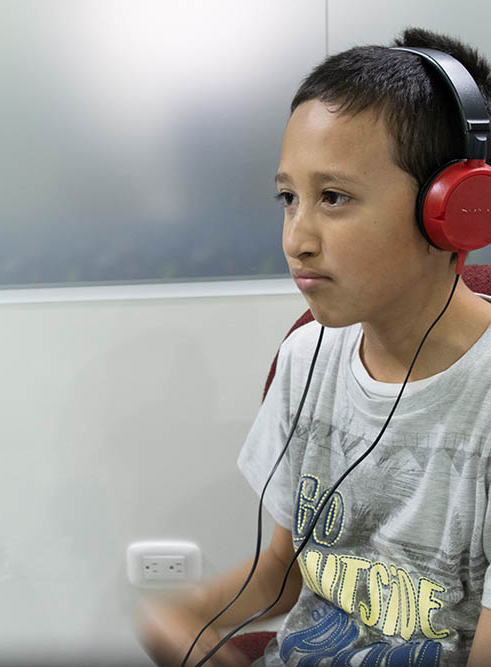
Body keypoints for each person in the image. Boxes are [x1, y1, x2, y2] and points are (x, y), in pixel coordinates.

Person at [139, 28, 491, 666]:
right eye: (288, 198)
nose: (296, 238)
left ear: (455, 207)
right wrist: (188, 617)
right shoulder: (309, 357)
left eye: (333, 198)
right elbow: (287, 565)